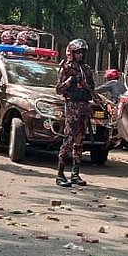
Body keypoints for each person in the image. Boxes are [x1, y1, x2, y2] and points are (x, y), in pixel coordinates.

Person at [55, 38, 99, 188]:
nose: (80, 55)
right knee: (68, 140)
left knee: (80, 142)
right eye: (78, 52)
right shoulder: (66, 68)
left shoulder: (86, 69)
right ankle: (60, 174)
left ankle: (75, 174)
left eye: (82, 52)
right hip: (72, 106)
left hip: (84, 107)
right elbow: (58, 89)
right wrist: (71, 81)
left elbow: (92, 89)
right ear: (72, 53)